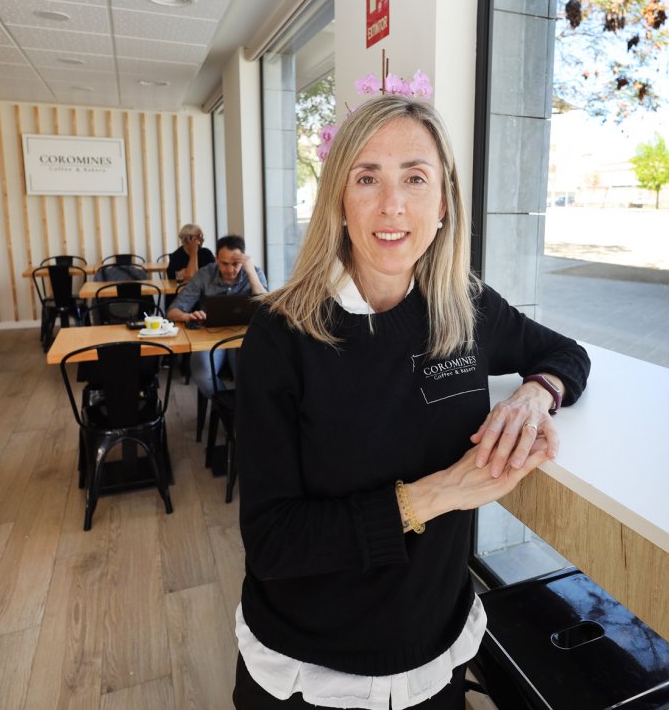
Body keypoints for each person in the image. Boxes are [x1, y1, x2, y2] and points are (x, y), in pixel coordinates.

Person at [232, 96, 590, 709]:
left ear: (444, 201)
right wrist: (443, 493)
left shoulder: (464, 307)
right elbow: (273, 542)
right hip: (313, 668)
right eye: (367, 178)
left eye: (415, 178)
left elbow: (565, 354)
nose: (392, 204)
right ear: (339, 201)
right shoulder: (281, 333)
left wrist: (535, 395)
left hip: (434, 655)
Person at [167, 234, 267, 397]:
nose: (230, 270)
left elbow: (266, 309)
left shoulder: (254, 273)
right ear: (216, 259)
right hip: (209, 337)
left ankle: (242, 410)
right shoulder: (204, 275)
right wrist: (188, 316)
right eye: (224, 264)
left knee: (250, 374)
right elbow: (173, 311)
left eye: (236, 264)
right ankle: (228, 410)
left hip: (244, 338)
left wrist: (250, 272)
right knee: (201, 372)